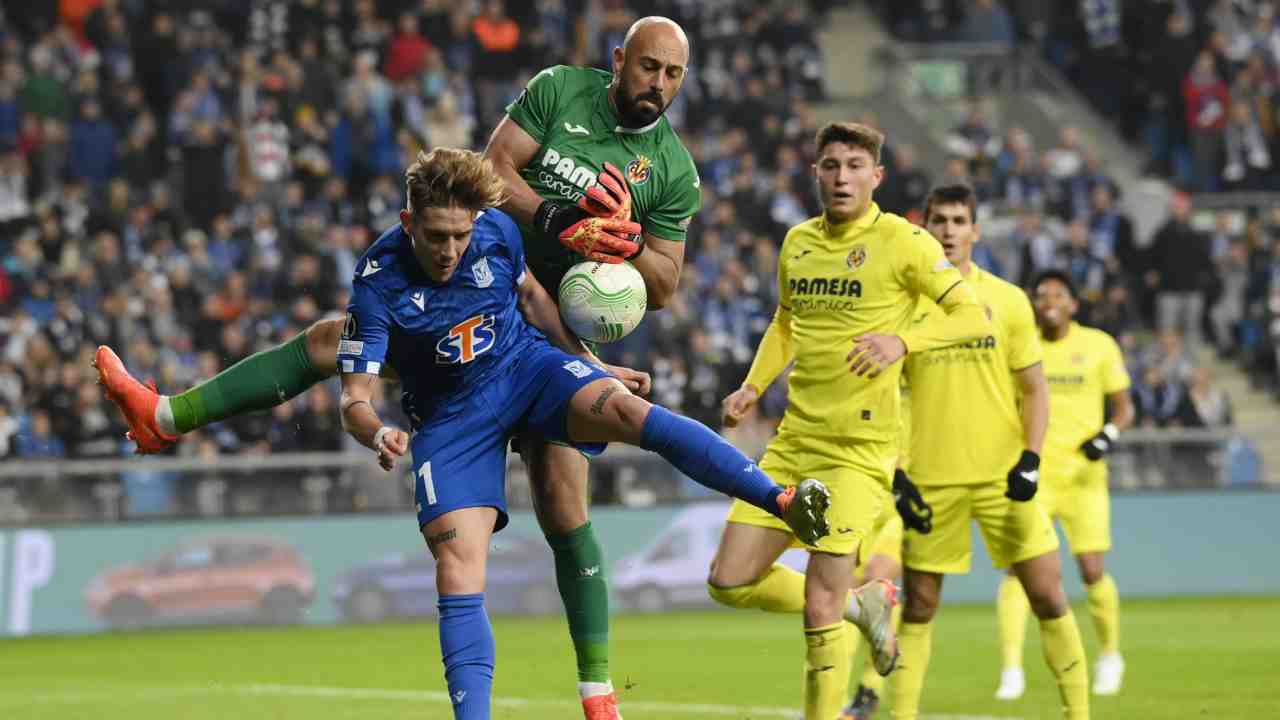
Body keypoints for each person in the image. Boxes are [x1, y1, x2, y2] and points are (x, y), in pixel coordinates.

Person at [93, 17, 700, 717]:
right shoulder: (559, 91)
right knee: (335, 338)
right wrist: (563, 220)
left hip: (550, 332)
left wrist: (619, 247)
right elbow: (495, 170)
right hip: (476, 275)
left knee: (563, 502)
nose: (658, 84)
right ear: (621, 61)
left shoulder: (674, 170)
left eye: (673, 74)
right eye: (649, 67)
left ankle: (597, 691)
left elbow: (664, 283)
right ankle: (167, 414)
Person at [317, 147, 830, 719]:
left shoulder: (495, 233)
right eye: (436, 236)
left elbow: (534, 299)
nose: (450, 250)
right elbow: (353, 400)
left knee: (630, 412)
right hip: (450, 417)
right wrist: (376, 432)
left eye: (460, 235)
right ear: (409, 223)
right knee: (457, 567)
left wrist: (594, 365)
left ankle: (780, 499)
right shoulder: (375, 283)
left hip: (526, 368)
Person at [708, 122, 991, 720]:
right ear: (815, 173)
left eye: (855, 165)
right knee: (728, 580)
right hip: (794, 441)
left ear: (877, 176)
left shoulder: (905, 241)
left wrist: (903, 341)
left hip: (858, 451)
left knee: (819, 604)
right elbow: (786, 323)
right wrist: (753, 387)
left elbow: (971, 318)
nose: (842, 177)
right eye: (831, 165)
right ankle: (863, 605)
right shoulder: (798, 243)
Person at [887, 186, 1090, 720]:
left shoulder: (1007, 300)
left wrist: (1031, 458)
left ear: (975, 231)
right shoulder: (903, 307)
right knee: (920, 606)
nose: (949, 230)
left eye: (959, 221)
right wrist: (897, 474)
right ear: (923, 229)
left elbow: (1035, 390)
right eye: (939, 221)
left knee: (1048, 596)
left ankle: (1079, 714)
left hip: (1005, 478)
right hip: (932, 480)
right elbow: (885, 399)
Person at [996, 269, 1135, 699]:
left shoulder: (1098, 345)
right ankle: (1012, 667)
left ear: (1074, 304)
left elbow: (1123, 407)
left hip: (1083, 478)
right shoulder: (1022, 344)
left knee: (1092, 569)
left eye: (1058, 294)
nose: (1049, 301)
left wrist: (1106, 436)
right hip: (1034, 475)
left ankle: (1110, 655)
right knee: (1018, 572)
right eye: (1041, 295)